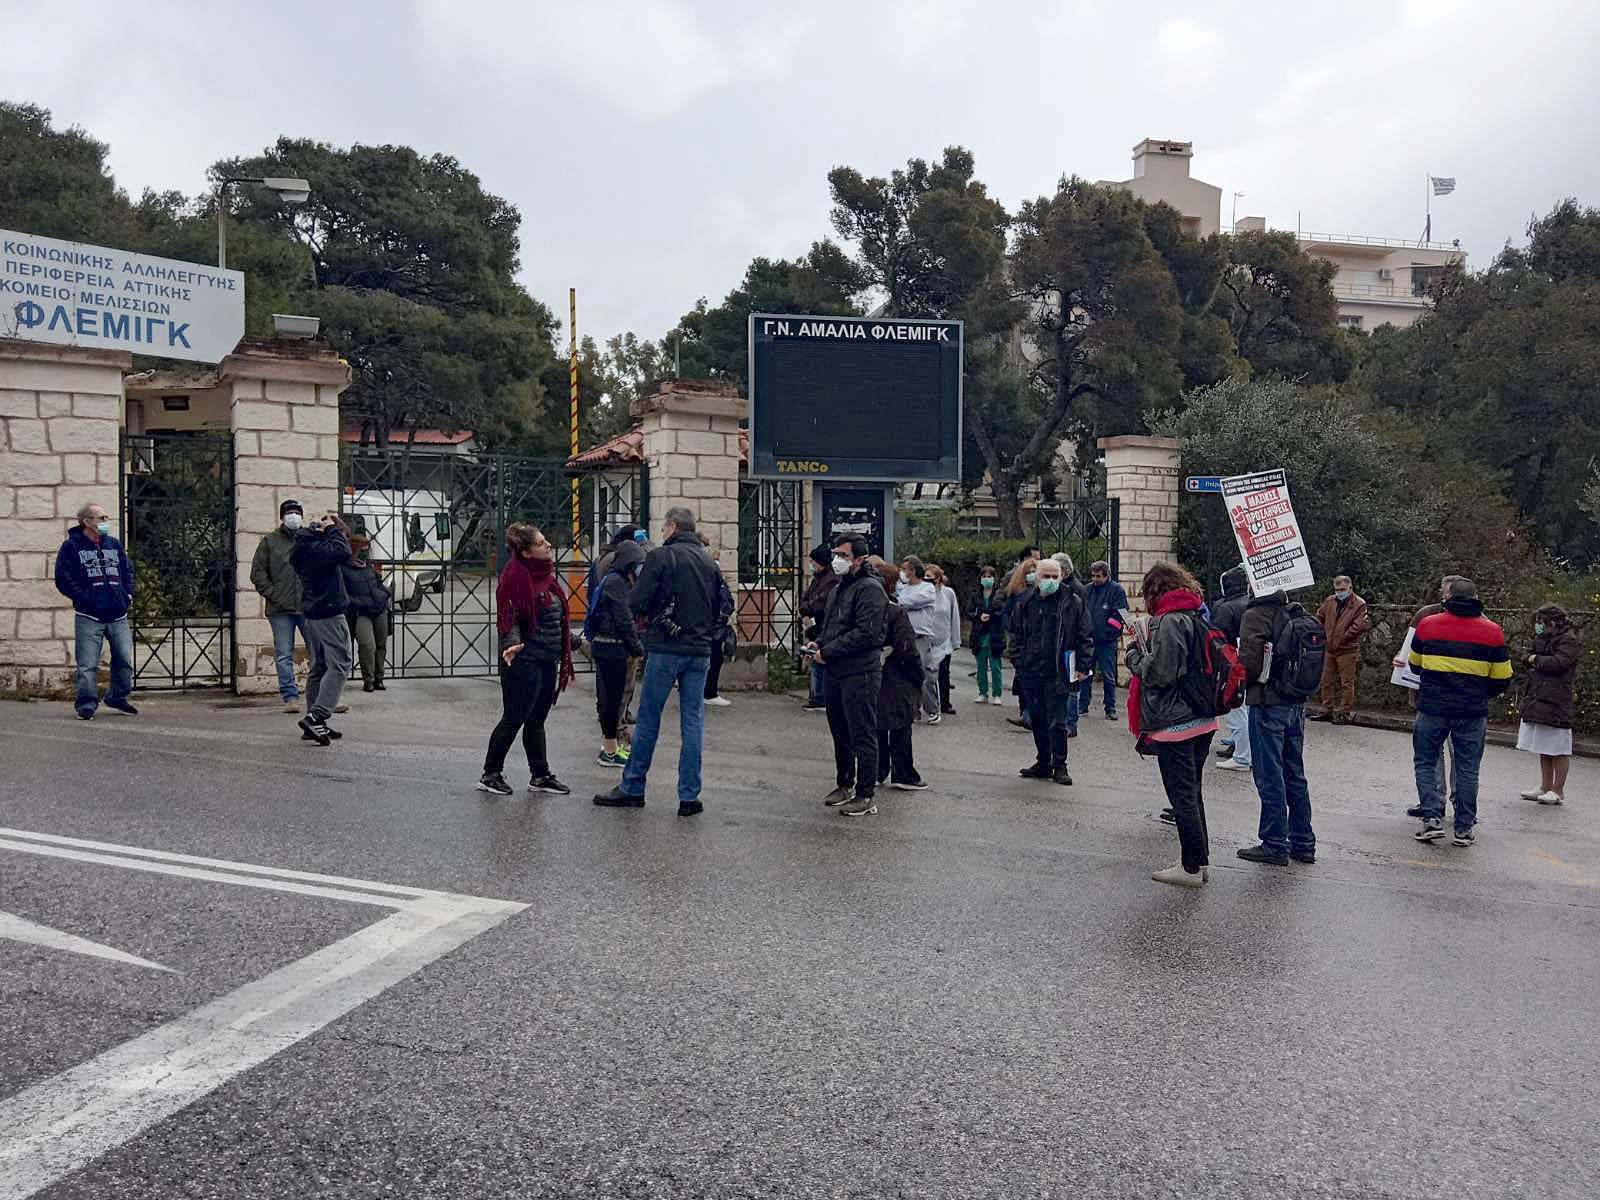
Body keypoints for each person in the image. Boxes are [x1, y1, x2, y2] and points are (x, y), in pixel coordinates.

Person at [594, 506, 724, 816]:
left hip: (666, 647)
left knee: (649, 718)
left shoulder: (661, 557)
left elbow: (637, 600)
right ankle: (689, 796)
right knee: (693, 721)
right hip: (700, 650)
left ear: (673, 527)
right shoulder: (709, 561)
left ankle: (633, 787)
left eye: (664, 528)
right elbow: (721, 604)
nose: (662, 533)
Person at [1124, 562, 1216, 887]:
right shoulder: (1195, 614)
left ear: (1154, 591)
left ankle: (1190, 867)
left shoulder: (1168, 621)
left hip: (1175, 720)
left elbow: (1161, 673)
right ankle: (1200, 862)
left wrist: (1133, 655)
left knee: (1182, 796)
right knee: (1193, 793)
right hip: (1202, 716)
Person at [1408, 578, 1512, 846]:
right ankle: (1464, 828)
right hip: (1471, 710)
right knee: (1467, 768)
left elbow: (1415, 664)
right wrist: (1479, 693)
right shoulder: (1492, 631)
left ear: (1448, 598)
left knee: (1426, 762)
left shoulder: (1428, 625)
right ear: (1476, 597)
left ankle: (1431, 818)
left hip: (1432, 706)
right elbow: (1502, 677)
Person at [480, 523, 574, 796]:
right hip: (523, 660)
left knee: (537, 720)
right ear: (526, 552)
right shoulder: (514, 577)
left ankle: (540, 775)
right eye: (541, 543)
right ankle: (490, 774)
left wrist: (570, 640)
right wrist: (511, 644)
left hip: (547, 658)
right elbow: (509, 616)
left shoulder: (545, 575)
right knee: (514, 718)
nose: (548, 545)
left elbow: (552, 617)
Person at [1235, 587, 1316, 866]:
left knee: (1270, 775)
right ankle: (1303, 842)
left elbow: (1251, 664)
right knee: (1295, 773)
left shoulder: (1256, 615)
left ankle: (1274, 843)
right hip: (1295, 702)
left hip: (1267, 702)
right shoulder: (1296, 612)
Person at [814, 535, 889, 817]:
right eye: (836, 554)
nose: (837, 560)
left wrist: (829, 651)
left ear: (859, 558)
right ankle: (844, 784)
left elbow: (867, 633)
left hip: (860, 671)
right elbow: (832, 626)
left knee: (862, 732)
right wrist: (818, 644)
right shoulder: (839, 588)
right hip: (836, 669)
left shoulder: (870, 589)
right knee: (840, 731)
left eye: (843, 555)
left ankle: (866, 794)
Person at [1005, 556, 1093, 786]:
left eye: (1055, 576)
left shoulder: (1072, 602)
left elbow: (1084, 635)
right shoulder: (1025, 601)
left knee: (1058, 721)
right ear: (1037, 577)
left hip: (1058, 671)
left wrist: (1083, 666)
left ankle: (1060, 765)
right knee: (1037, 718)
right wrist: (1018, 661)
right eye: (1046, 576)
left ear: (1061, 577)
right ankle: (1043, 762)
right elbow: (1014, 632)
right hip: (1031, 670)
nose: (1051, 580)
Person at [54, 501, 136, 721]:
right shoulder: (71, 547)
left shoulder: (113, 544)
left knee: (124, 660)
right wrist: (84, 598)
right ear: (87, 522)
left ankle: (117, 697)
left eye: (106, 517)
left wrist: (127, 595)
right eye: (101, 518)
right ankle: (86, 704)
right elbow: (63, 578)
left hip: (118, 614)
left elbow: (127, 570)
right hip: (89, 616)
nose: (106, 521)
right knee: (87, 664)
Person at [1399, 575, 1464, 819]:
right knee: (1433, 753)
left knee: (1459, 754)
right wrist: (1401, 660)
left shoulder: (1476, 621)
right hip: (1429, 696)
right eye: (1444, 593)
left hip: (1460, 700)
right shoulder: (1425, 615)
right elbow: (1410, 648)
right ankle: (1434, 801)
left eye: (1449, 594)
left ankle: (1461, 804)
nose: (1446, 598)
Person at [291, 513, 356, 746]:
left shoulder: (303, 548)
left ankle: (315, 724)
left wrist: (328, 531)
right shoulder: (319, 549)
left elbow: (341, 547)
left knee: (319, 667)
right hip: (328, 612)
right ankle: (316, 716)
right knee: (340, 663)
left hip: (313, 613)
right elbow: (342, 551)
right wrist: (331, 529)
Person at [588, 539, 645, 768]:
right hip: (611, 647)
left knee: (610, 700)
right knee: (612, 701)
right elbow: (624, 620)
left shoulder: (613, 580)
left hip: (607, 646)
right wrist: (637, 649)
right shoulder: (617, 583)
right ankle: (609, 751)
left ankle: (609, 747)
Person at [871, 557, 927, 791]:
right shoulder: (895, 612)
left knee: (877, 727)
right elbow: (907, 648)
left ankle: (877, 771)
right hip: (897, 677)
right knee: (900, 728)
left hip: (872, 677)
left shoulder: (867, 610)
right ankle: (903, 773)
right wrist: (918, 676)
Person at [250, 499, 309, 712]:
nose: (294, 516)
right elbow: (257, 572)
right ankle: (290, 697)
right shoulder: (269, 542)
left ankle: (322, 695)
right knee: (284, 654)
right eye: (290, 512)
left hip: (308, 606)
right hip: (280, 609)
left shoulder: (308, 539)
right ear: (282, 516)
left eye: (297, 512)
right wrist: (273, 594)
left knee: (318, 651)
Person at [1517, 604, 1578, 806]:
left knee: (1558, 747)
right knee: (1544, 746)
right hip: (1538, 695)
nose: (1538, 626)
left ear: (1551, 622)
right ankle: (1545, 786)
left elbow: (1559, 663)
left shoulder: (1568, 639)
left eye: (1540, 622)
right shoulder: (1543, 638)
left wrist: (1535, 659)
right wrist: (1534, 658)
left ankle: (1558, 789)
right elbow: (1526, 656)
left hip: (1556, 698)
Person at [1210, 565, 1253, 773]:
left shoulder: (1225, 608)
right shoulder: (1250, 603)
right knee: (1245, 709)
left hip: (1230, 664)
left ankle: (1243, 756)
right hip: (1248, 660)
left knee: (1235, 710)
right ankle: (1246, 751)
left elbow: (1216, 639)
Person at [1310, 575, 1370, 724]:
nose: (1339, 592)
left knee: (1347, 683)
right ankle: (1327, 709)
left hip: (1347, 649)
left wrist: (1343, 638)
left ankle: (1344, 712)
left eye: (1342, 589)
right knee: (1326, 680)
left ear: (1350, 588)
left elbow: (1359, 626)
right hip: (1329, 647)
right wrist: (1322, 634)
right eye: (1337, 590)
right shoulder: (1330, 601)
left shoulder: (1359, 604)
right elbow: (1319, 617)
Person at [897, 556, 943, 724]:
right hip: (903, 636)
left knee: (924, 674)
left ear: (914, 570)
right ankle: (912, 709)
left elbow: (911, 602)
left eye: (905, 569)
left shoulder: (927, 588)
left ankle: (933, 709)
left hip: (921, 637)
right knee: (904, 674)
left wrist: (900, 601)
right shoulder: (902, 588)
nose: (902, 572)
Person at [341, 540, 392, 693]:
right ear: (354, 550)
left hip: (379, 609)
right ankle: (368, 679)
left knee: (381, 644)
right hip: (361, 612)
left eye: (367, 550)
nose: (365, 553)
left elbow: (379, 584)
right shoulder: (344, 569)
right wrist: (358, 603)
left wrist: (385, 593)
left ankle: (379, 678)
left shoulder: (368, 567)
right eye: (362, 550)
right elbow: (344, 595)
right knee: (367, 645)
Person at [1082, 560, 1128, 722]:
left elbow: (1121, 614)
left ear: (1106, 575)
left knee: (1108, 676)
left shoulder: (1116, 590)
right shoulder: (1087, 590)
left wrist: (1108, 633)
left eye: (1098, 576)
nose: (1095, 579)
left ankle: (1110, 708)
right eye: (1093, 576)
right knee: (1085, 674)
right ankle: (1083, 705)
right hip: (1088, 641)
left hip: (1106, 642)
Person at [698, 531, 737, 708]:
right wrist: (724, 610)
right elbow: (720, 595)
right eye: (705, 544)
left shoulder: (706, 567)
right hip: (711, 622)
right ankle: (708, 693)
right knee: (713, 658)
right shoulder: (705, 568)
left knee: (713, 657)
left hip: (713, 620)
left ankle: (705, 692)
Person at [1002, 554, 1040, 730]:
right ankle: (1026, 713)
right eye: (1029, 572)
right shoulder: (1016, 594)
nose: (1031, 575)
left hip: (1035, 644)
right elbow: (1007, 614)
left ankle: (1032, 715)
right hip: (1020, 642)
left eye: (1034, 572)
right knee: (1022, 680)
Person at [966, 564, 1006, 705]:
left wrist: (992, 616)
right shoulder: (975, 594)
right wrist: (978, 616)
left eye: (989, 576)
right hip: (979, 634)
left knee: (995, 666)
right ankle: (983, 692)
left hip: (995, 634)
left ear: (994, 578)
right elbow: (969, 612)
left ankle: (997, 694)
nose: (987, 579)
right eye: (984, 576)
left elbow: (1004, 612)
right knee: (981, 666)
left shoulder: (1000, 594)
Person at [928, 563, 961, 715]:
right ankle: (927, 703)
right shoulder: (922, 593)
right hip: (927, 639)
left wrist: (955, 640)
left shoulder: (948, 593)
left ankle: (945, 703)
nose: (927, 579)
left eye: (930, 576)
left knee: (943, 673)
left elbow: (954, 616)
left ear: (938, 578)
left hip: (944, 639)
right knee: (926, 674)